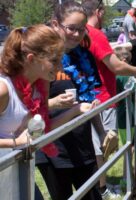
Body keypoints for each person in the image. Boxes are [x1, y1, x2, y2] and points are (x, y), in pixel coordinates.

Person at [0, 24, 95, 199]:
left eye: (61, 59)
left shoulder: (39, 85)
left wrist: (75, 110)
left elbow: (41, 131)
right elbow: (22, 139)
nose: (60, 67)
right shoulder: (3, 89)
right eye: (54, 60)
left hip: (18, 170)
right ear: (31, 59)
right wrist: (15, 142)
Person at [36, 1, 104, 200]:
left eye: (81, 29)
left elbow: (89, 99)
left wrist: (102, 133)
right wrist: (55, 103)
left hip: (82, 145)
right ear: (55, 25)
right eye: (71, 28)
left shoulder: (85, 56)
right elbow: (26, 107)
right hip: (53, 149)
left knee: (92, 196)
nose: (76, 34)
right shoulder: (40, 60)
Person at [82, 0, 136, 198]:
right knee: (103, 145)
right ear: (99, 12)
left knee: (98, 145)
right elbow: (116, 66)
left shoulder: (79, 34)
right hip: (101, 98)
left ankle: (100, 186)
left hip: (87, 97)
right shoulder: (95, 34)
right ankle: (102, 188)